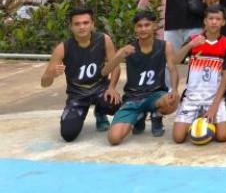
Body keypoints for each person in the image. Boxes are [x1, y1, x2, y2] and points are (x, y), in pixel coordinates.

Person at [40, 7, 121, 142]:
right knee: (68, 134)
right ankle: (74, 116)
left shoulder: (104, 39)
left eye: (85, 22)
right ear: (71, 27)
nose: (82, 27)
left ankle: (100, 112)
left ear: (92, 24)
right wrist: (51, 74)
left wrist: (112, 87)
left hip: (100, 88)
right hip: (77, 94)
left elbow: (116, 66)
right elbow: (44, 83)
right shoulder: (62, 48)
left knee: (116, 105)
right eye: (77, 24)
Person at [104, 11, 179, 145]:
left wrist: (174, 89)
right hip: (133, 97)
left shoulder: (165, 46)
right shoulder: (128, 48)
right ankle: (138, 117)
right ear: (135, 28)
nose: (143, 29)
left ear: (154, 26)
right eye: (139, 26)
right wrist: (119, 56)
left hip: (156, 94)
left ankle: (156, 115)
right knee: (114, 138)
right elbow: (105, 71)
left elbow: (173, 69)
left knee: (172, 100)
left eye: (147, 25)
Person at [171, 5, 226, 143]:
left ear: (223, 22)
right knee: (178, 138)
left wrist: (214, 107)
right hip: (192, 97)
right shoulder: (193, 39)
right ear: (205, 21)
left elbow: (225, 78)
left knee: (223, 136)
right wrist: (190, 45)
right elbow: (174, 60)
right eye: (210, 18)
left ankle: (209, 115)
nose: (214, 22)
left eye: (218, 19)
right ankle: (198, 116)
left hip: (214, 97)